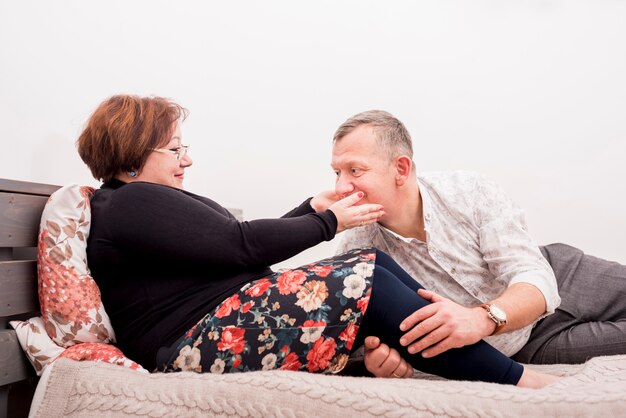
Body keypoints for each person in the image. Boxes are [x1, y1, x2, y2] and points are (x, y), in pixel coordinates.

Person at [75, 95, 559, 388]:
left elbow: (235, 254)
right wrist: (328, 221)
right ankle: (518, 380)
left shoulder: (142, 206)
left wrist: (315, 211)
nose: (187, 160)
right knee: (363, 273)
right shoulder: (131, 201)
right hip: (188, 345)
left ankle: (482, 359)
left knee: (367, 262)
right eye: (175, 149)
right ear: (134, 152)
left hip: (216, 325)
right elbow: (239, 244)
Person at [328, 109, 626, 378]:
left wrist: (481, 318)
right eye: (337, 173)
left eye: (355, 170)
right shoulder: (355, 253)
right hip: (525, 345)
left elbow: (534, 276)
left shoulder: (468, 192)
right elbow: (350, 342)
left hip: (561, 276)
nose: (341, 188)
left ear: (401, 169)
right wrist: (373, 361)